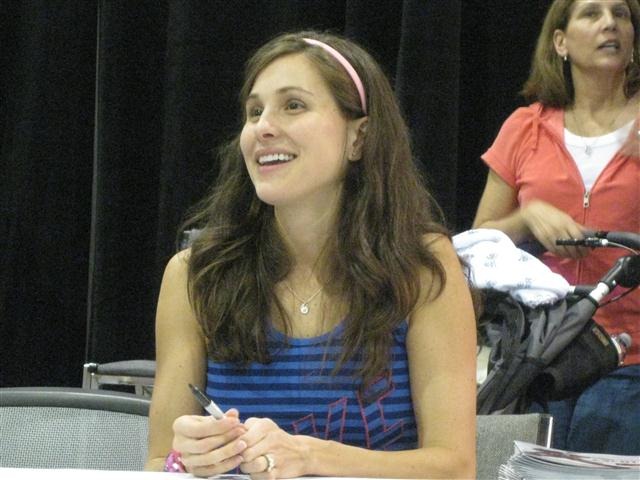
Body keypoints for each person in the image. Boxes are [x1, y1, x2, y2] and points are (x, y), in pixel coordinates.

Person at [145, 31, 477, 478]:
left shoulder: (421, 266)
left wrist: (309, 456)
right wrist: (185, 460)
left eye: (294, 105)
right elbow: (157, 463)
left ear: (359, 137)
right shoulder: (194, 275)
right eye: (254, 112)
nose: (263, 127)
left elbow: (455, 468)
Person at [474, 0, 640, 455]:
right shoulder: (524, 127)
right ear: (560, 42)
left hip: (629, 360)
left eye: (621, 14)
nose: (609, 23)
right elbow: (479, 243)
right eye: (592, 13)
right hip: (538, 360)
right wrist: (527, 218)